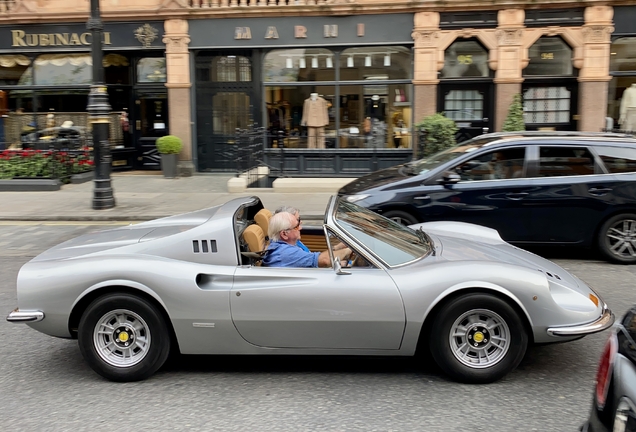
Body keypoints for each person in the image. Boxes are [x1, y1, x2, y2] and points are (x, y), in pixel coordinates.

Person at [262, 212, 351, 268]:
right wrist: (349, 250)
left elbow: (312, 257)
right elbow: (324, 260)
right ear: (284, 234)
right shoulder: (285, 253)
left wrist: (338, 248)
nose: (300, 228)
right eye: (296, 226)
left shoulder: (284, 246)